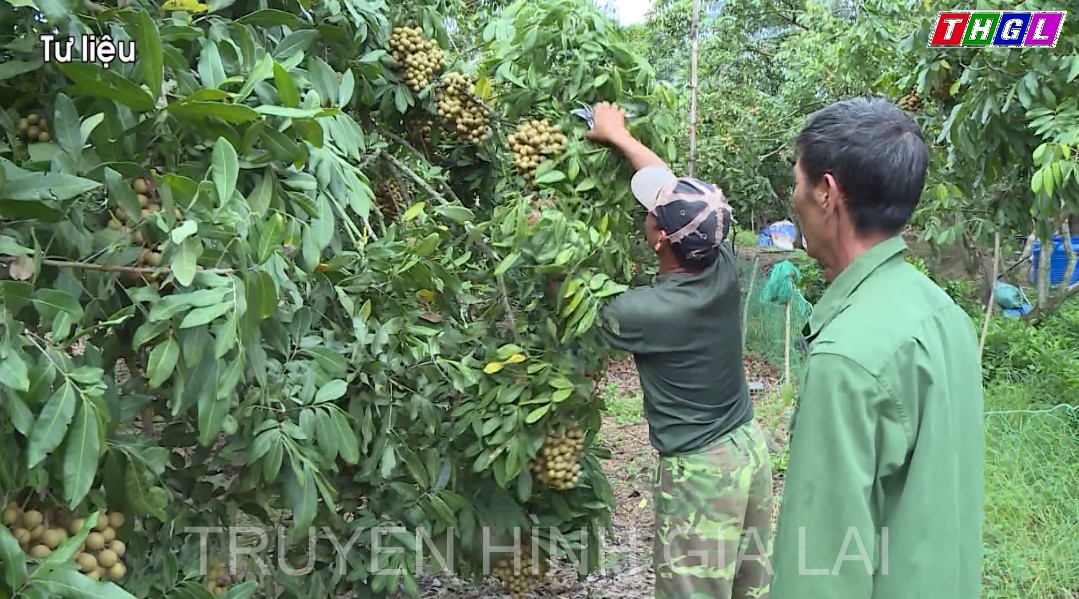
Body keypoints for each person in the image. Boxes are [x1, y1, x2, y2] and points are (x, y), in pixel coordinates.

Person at [768, 96, 984, 598]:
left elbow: (820, 569)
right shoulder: (943, 315)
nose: (794, 198)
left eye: (797, 183)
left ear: (826, 193)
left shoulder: (847, 357)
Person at [585, 102, 773, 599]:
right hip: (748, 449)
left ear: (660, 239)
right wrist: (618, 135)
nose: (646, 214)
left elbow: (569, 302)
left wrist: (541, 234)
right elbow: (668, 185)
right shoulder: (719, 260)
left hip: (702, 474)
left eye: (650, 214)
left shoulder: (647, 312)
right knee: (748, 589)